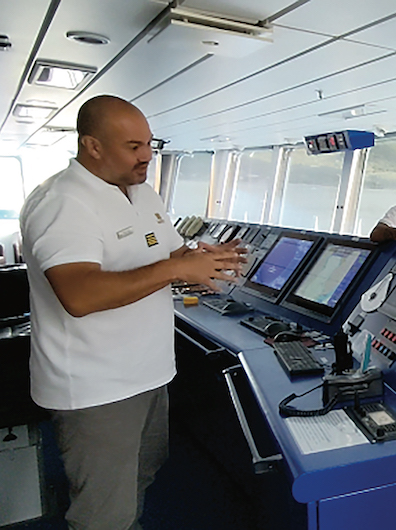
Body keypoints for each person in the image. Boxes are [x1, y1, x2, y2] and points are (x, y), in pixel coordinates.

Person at [19, 95, 242, 530]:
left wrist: (201, 261)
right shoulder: (63, 202)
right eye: (133, 146)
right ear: (93, 146)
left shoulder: (143, 193)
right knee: (103, 512)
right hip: (96, 387)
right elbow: (79, 294)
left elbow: (170, 257)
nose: (147, 156)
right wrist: (177, 266)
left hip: (149, 373)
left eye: (150, 144)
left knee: (140, 477)